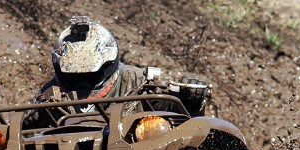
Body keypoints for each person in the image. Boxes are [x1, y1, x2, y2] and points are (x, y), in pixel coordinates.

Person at [32, 16, 210, 119]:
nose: (83, 85)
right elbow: (26, 127)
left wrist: (190, 101)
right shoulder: (50, 93)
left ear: (109, 66)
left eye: (91, 77)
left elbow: (170, 109)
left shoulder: (136, 80)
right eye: (75, 78)